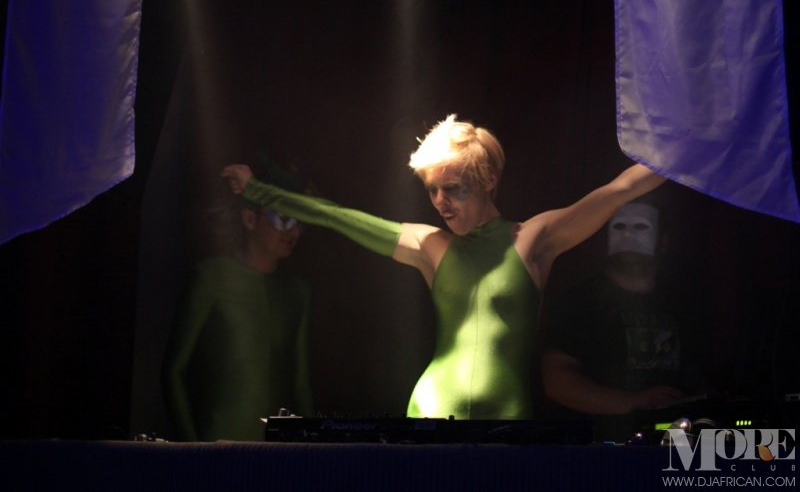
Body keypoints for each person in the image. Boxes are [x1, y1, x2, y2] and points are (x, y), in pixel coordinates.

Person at [221, 114, 666, 420]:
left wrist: (689, 152)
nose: (440, 201)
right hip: (431, 411)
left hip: (507, 419)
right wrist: (258, 191)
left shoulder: (532, 238)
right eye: (432, 190)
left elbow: (618, 191)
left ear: (489, 179)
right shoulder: (429, 245)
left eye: (452, 187)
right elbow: (337, 216)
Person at [162, 162, 314, 441]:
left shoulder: (297, 292)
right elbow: (174, 373)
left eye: (299, 221)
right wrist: (193, 449)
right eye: (283, 218)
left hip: (277, 452)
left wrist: (312, 448)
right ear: (249, 219)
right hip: (216, 449)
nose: (294, 232)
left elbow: (301, 384)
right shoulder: (211, 278)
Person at [541, 196, 707, 442]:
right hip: (600, 447)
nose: (628, 235)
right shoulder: (581, 300)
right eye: (618, 227)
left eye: (641, 226)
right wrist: (634, 402)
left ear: (662, 241)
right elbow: (557, 383)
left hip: (671, 444)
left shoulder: (681, 302)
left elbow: (697, 374)